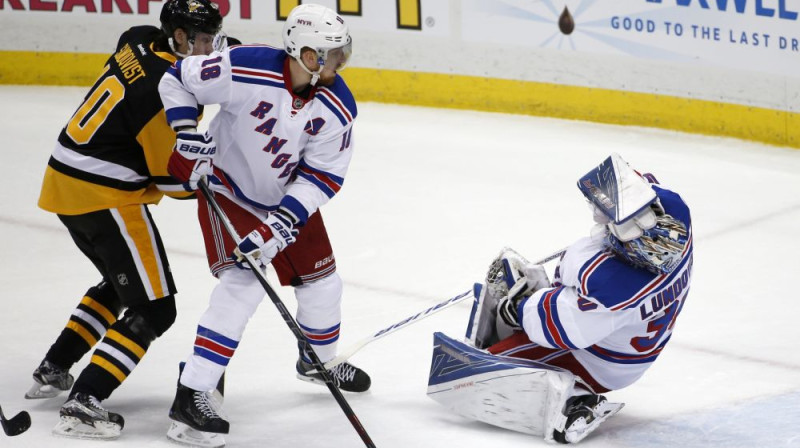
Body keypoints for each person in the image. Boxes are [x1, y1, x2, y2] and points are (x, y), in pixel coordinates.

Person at [158, 3, 370, 446]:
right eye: (329, 55)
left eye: (340, 54)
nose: (338, 64)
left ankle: (317, 362)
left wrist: (280, 227)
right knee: (244, 285)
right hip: (229, 190)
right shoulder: (244, 66)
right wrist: (184, 131)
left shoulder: (338, 105)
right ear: (304, 54)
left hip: (285, 199)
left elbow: (321, 177)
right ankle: (192, 391)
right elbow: (177, 78)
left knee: (324, 285)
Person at [30, 0, 233, 439]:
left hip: (63, 182)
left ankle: (54, 366)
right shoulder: (169, 93)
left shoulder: (138, 37)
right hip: (103, 196)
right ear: (178, 37)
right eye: (202, 39)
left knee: (119, 283)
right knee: (156, 307)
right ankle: (85, 400)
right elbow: (173, 180)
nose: (210, 46)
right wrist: (207, 176)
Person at [429, 153, 693, 444]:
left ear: (638, 246)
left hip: (597, 360)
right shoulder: (671, 222)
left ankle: (576, 401)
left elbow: (559, 330)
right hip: (626, 340)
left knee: (465, 378)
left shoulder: (612, 287)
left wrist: (518, 305)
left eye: (622, 226)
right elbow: (643, 191)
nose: (598, 217)